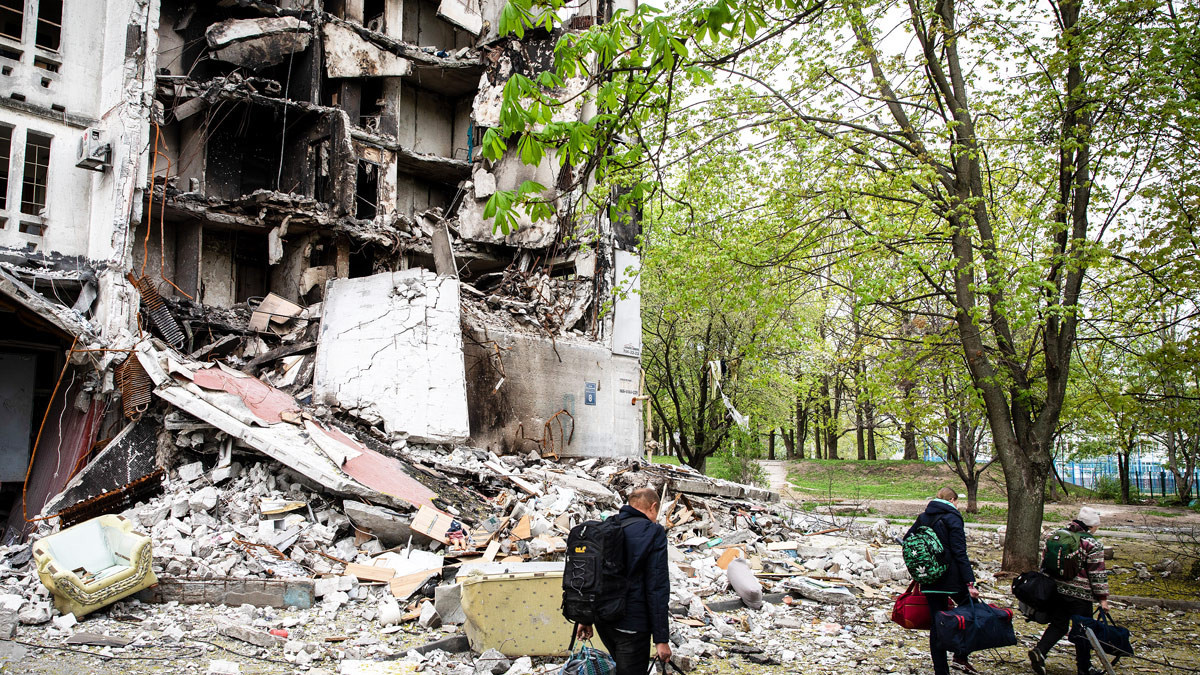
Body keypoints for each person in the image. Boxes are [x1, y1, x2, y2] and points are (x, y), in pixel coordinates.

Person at [576, 487, 672, 675]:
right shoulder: (654, 533)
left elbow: (590, 576)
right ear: (653, 507)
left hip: (604, 621)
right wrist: (661, 639)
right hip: (632, 625)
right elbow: (657, 587)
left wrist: (585, 618)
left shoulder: (606, 527)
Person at [908, 487, 980, 675]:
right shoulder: (953, 517)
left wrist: (921, 569)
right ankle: (960, 656)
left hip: (930, 578)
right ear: (953, 500)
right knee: (971, 609)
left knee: (937, 623)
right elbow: (959, 552)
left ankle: (941, 671)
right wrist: (969, 582)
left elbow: (908, 539)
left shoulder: (924, 517)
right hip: (952, 578)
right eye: (957, 502)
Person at [1029, 506, 1109, 675]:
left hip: (1056, 590)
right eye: (1097, 526)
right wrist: (1103, 598)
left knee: (1058, 624)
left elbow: (1045, 561)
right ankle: (1084, 667)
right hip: (1080, 595)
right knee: (1083, 629)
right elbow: (1097, 573)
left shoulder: (1056, 536)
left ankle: (1040, 650)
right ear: (1092, 526)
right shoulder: (1092, 544)